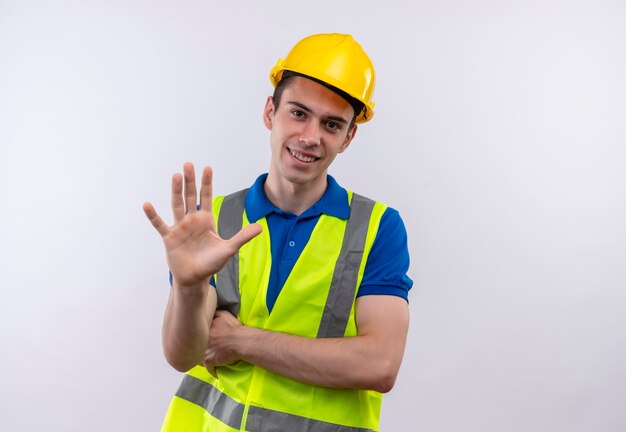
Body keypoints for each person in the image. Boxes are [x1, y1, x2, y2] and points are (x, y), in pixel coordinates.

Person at [143, 33, 413, 432]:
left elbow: (379, 364)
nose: (310, 137)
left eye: (332, 124)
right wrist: (188, 286)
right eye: (298, 113)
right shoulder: (214, 221)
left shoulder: (377, 229)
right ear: (270, 112)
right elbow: (183, 355)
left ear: (348, 137)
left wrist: (240, 341)